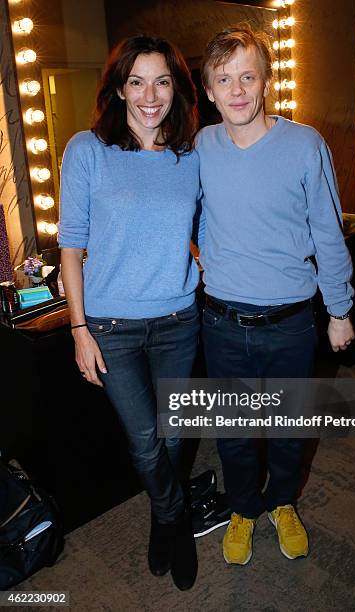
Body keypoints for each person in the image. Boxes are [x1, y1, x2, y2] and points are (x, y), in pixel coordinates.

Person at [195, 24, 355, 565]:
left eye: (247, 75)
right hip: (221, 323)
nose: (236, 89)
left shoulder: (305, 145)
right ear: (210, 91)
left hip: (291, 321)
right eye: (224, 79)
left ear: (265, 83)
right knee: (235, 431)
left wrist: (340, 310)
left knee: (288, 428)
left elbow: (329, 232)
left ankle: (283, 503)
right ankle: (243, 509)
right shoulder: (201, 145)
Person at [58, 35, 200, 591]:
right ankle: (175, 518)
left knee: (174, 437)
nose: (149, 95)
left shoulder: (190, 155)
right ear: (119, 88)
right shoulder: (87, 150)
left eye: (161, 81)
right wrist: (78, 328)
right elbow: (70, 248)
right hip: (111, 327)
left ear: (176, 89)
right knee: (144, 440)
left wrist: (207, 257)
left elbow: (204, 224)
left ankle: (163, 514)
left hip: (179, 321)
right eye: (136, 81)